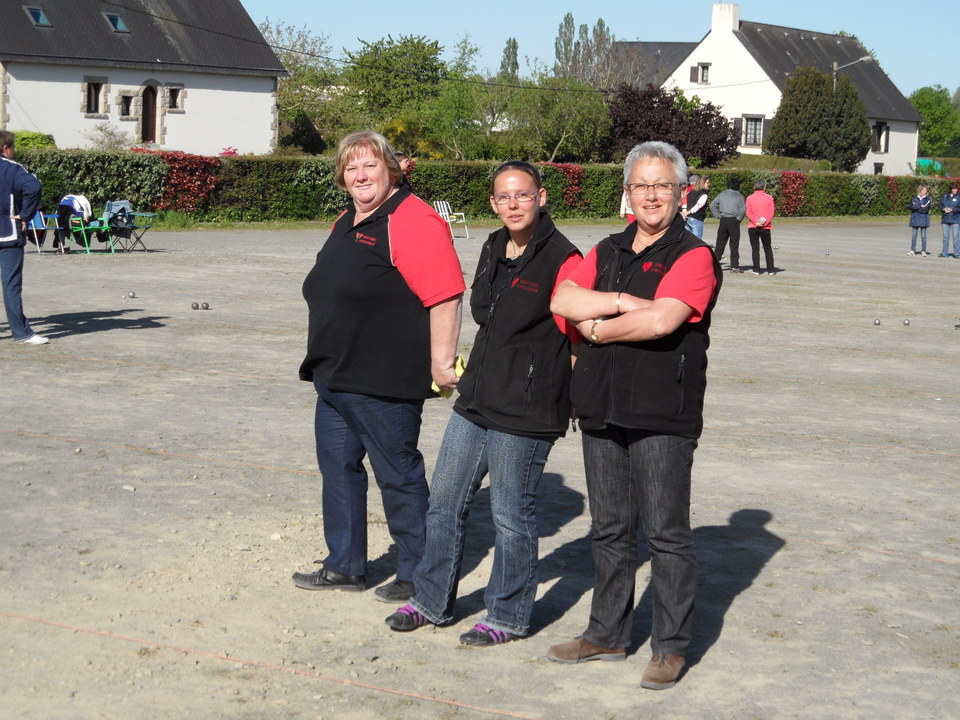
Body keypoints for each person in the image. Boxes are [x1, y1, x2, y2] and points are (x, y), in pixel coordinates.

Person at [383, 161, 582, 646]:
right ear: (493, 203)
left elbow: (577, 340)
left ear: (541, 197)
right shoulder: (492, 246)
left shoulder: (565, 258)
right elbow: (484, 314)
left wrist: (568, 397)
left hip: (528, 407)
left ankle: (508, 616)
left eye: (523, 195)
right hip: (479, 397)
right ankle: (431, 601)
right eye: (504, 197)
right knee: (444, 504)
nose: (513, 204)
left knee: (512, 517)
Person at [547, 141, 721, 691]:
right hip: (600, 405)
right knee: (611, 528)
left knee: (666, 534)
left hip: (661, 413)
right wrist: (622, 303)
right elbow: (562, 300)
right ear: (627, 192)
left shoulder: (694, 256)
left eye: (662, 186)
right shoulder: (605, 249)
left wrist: (596, 323)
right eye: (641, 185)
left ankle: (670, 646)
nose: (651, 195)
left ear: (682, 194)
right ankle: (607, 632)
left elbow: (665, 322)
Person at [293, 130, 465, 602]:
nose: (361, 175)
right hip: (335, 375)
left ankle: (418, 571)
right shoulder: (347, 218)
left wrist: (442, 363)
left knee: (398, 475)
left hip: (383, 380)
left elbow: (446, 293)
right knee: (339, 471)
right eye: (351, 168)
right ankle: (345, 565)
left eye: (370, 165)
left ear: (393, 168)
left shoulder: (411, 218)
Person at [0, 130, 48, 345]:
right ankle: (21, 333)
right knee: (11, 284)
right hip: (7, 232)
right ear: (5, 149)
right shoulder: (13, 169)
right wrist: (26, 215)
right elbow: (34, 187)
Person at [710, 177, 746, 272]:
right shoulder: (739, 196)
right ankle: (734, 266)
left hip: (723, 220)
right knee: (734, 244)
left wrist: (718, 215)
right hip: (734, 220)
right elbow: (743, 210)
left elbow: (712, 205)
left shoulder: (722, 194)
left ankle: (714, 264)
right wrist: (738, 219)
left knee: (720, 243)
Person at [745, 179, 777, 275]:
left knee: (755, 248)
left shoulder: (749, 198)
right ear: (764, 188)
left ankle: (756, 269)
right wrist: (764, 222)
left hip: (753, 226)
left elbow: (748, 212)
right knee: (767, 248)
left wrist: (756, 222)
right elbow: (771, 213)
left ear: (754, 187)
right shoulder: (769, 198)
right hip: (765, 227)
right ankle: (770, 269)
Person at [908, 186, 931, 256]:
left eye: (926, 190)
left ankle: (923, 250)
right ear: (920, 190)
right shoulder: (914, 197)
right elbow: (910, 206)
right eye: (924, 190)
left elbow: (926, 209)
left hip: (924, 219)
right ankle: (912, 250)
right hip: (915, 218)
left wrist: (917, 206)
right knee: (914, 235)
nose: (925, 191)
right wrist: (920, 206)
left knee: (923, 236)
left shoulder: (928, 199)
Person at [939, 183, 960, 258]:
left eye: (956, 189)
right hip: (945, 219)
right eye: (954, 189)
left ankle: (957, 253)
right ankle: (944, 253)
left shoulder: (959, 196)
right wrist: (943, 209)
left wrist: (952, 210)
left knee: (956, 236)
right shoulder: (945, 196)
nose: (955, 190)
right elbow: (940, 205)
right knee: (945, 236)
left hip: (956, 219)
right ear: (950, 189)